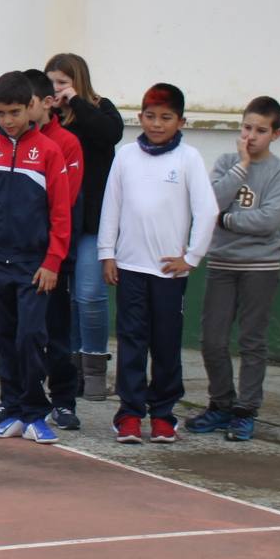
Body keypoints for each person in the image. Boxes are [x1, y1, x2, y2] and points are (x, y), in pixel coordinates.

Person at [99, 83, 217, 444]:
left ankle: (163, 415)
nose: (157, 124)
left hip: (168, 272)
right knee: (132, 341)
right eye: (150, 116)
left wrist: (191, 257)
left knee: (166, 343)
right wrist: (108, 253)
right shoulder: (125, 157)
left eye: (166, 118)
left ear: (181, 120)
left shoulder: (189, 159)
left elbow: (208, 210)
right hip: (130, 268)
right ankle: (130, 415)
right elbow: (112, 206)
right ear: (140, 117)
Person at [0, 73, 73, 443]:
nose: (8, 120)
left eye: (14, 111)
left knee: (31, 335)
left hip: (34, 264)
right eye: (0, 113)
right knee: (6, 337)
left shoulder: (48, 151)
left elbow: (61, 212)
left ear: (31, 107)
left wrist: (53, 261)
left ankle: (35, 411)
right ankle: (12, 408)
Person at [190, 97, 280, 441]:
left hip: (260, 266)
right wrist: (242, 166)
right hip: (222, 262)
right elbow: (210, 202)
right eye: (247, 128)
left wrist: (228, 220)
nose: (252, 136)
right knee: (212, 340)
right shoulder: (226, 162)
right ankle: (220, 404)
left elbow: (269, 219)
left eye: (261, 130)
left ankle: (246, 410)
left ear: (275, 134)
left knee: (252, 341)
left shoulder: (279, 172)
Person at [45, 54, 123, 402]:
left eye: (61, 82)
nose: (56, 90)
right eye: (52, 83)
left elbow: (110, 135)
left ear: (77, 81)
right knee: (66, 298)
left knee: (89, 294)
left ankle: (94, 367)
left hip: (93, 219)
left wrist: (76, 100)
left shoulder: (99, 109)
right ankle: (70, 366)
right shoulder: (50, 118)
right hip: (60, 218)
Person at [27, 69, 86, 428]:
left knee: (57, 332)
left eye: (25, 105)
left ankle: (64, 401)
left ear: (46, 104)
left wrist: (53, 255)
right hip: (17, 257)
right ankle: (26, 398)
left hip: (53, 257)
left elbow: (64, 202)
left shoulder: (66, 144)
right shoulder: (6, 142)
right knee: (24, 334)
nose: (15, 114)